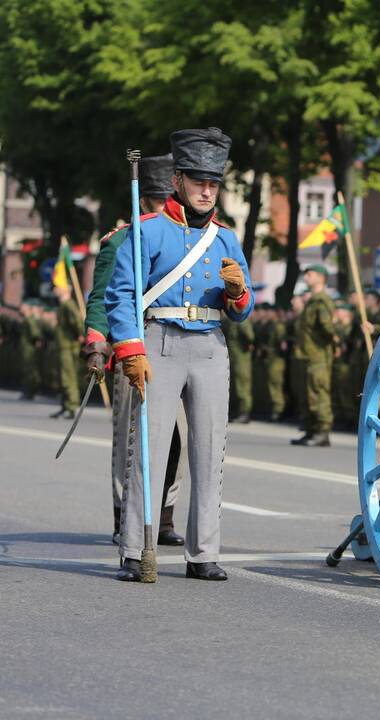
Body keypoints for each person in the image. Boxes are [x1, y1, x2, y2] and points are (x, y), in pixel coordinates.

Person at [105, 128, 252, 582]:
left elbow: (243, 312)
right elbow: (122, 293)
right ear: (178, 182)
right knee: (147, 451)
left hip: (208, 347)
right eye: (199, 182)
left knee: (210, 452)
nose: (207, 191)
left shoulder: (225, 239)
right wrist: (130, 350)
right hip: (159, 342)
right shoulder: (147, 229)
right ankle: (134, 549)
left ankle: (203, 552)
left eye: (214, 183)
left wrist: (238, 291)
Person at [82, 153, 188, 546]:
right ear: (144, 201)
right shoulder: (123, 239)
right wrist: (96, 343)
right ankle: (124, 515)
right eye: (159, 199)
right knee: (133, 437)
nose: (166, 206)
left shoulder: (192, 239)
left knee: (178, 438)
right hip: (134, 346)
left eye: (170, 197)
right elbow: (103, 297)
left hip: (180, 346)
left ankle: (163, 518)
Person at [290, 265, 336, 447]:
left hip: (318, 356)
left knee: (318, 393)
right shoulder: (311, 301)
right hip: (306, 354)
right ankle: (310, 430)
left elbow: (327, 329)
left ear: (320, 277)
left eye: (310, 274)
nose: (306, 277)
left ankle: (322, 432)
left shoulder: (321, 301)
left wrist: (334, 341)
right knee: (306, 394)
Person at [52, 283, 83, 419]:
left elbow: (77, 322)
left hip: (68, 347)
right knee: (63, 377)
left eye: (57, 286)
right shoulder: (63, 305)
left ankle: (71, 406)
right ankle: (65, 405)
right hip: (63, 346)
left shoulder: (68, 305)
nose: (54, 289)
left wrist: (81, 335)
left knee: (68, 377)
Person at [223, 315, 254, 423]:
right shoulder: (230, 319)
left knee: (242, 385)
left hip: (241, 358)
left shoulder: (241, 319)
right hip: (233, 356)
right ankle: (235, 412)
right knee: (234, 385)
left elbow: (249, 337)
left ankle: (244, 412)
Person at [18, 302, 43, 400]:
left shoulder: (29, 320)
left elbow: (35, 333)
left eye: (23, 307)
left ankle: (30, 391)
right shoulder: (28, 319)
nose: (21, 309)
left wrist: (37, 340)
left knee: (29, 370)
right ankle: (28, 391)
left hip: (29, 348)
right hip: (26, 347)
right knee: (27, 370)